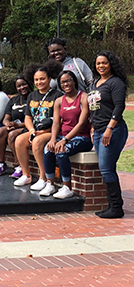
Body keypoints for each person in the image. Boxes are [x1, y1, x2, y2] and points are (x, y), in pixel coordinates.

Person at [88, 51, 129, 218]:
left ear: (111, 63)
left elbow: (119, 107)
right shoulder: (95, 83)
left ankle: (116, 207)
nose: (101, 66)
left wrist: (109, 129)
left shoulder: (116, 83)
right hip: (98, 131)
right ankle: (111, 205)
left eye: (104, 63)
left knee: (105, 169)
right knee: (106, 167)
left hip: (113, 129)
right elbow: (93, 107)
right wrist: (92, 127)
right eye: (98, 63)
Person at [41, 71, 92, 198]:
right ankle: (50, 184)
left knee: (61, 152)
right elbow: (56, 123)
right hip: (62, 136)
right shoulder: (59, 101)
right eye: (63, 82)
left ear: (74, 81)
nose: (66, 84)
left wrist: (64, 140)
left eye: (68, 80)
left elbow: (81, 123)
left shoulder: (83, 97)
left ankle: (67, 187)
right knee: (48, 149)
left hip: (81, 137)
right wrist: (53, 139)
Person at [13, 63, 63, 188]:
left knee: (37, 142)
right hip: (35, 130)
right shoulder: (32, 96)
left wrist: (43, 131)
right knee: (19, 140)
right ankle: (26, 175)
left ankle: (43, 177)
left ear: (49, 79)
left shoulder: (57, 96)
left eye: (42, 79)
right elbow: (28, 117)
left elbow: (59, 120)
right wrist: (31, 131)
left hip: (51, 131)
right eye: (36, 79)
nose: (39, 82)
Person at [0, 76, 32, 176]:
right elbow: (6, 117)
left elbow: (34, 119)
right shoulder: (14, 100)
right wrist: (7, 124)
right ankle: (1, 163)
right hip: (15, 125)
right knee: (0, 131)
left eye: (24, 84)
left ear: (29, 84)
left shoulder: (34, 98)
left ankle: (20, 166)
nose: (22, 87)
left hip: (28, 126)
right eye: (18, 86)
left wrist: (18, 125)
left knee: (12, 135)